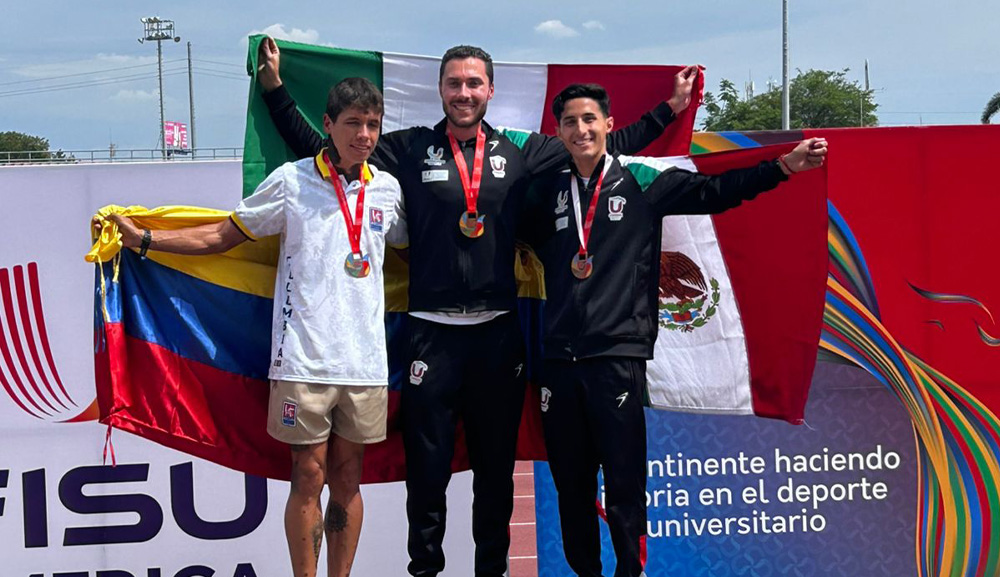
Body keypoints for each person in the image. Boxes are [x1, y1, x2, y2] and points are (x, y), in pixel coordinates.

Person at [256, 37, 698, 577]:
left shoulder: (522, 151)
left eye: (473, 83)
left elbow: (600, 147)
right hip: (429, 337)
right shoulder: (410, 148)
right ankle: (426, 571)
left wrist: (668, 111)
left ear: (489, 90)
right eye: (453, 84)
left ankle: (492, 570)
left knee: (494, 472)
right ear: (440, 91)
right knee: (428, 472)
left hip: (498, 336)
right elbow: (328, 145)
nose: (463, 93)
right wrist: (276, 90)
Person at [519, 83, 827, 577]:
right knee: (571, 486)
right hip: (558, 359)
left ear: (608, 125)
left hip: (616, 357)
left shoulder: (640, 180)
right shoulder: (544, 192)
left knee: (623, 482)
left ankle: (630, 571)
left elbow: (714, 192)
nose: (581, 129)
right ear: (559, 131)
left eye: (590, 119)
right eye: (571, 122)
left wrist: (783, 167)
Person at [106, 77, 406, 577]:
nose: (364, 135)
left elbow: (422, 250)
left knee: (349, 478)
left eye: (373, 125)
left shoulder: (389, 190)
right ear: (328, 126)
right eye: (353, 123)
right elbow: (223, 235)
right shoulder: (292, 182)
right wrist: (147, 241)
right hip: (303, 361)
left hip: (367, 363)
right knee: (307, 475)